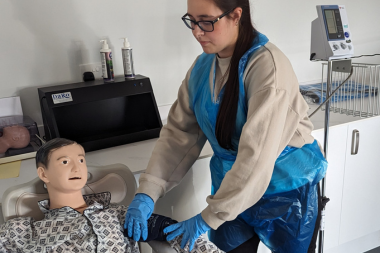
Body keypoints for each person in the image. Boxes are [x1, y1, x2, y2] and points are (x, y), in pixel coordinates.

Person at [125, 0, 328, 253]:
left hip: (285, 193)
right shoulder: (202, 68)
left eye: (206, 21)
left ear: (235, 15)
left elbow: (257, 158)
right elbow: (179, 135)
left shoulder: (268, 68)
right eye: (192, 20)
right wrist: (148, 191)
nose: (197, 31)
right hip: (230, 188)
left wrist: (208, 217)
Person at [0, 138, 225, 253]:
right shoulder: (25, 231)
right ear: (43, 173)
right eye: (65, 162)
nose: (77, 168)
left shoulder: (120, 215)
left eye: (80, 160)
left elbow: (178, 235)